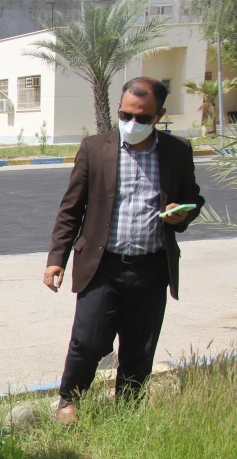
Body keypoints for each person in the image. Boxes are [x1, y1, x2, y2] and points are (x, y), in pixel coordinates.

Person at [44, 77, 205, 424]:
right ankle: (69, 400)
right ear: (118, 107)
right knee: (87, 341)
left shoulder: (177, 151)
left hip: (151, 267)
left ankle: (128, 410)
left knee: (139, 346)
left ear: (159, 115)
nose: (132, 123)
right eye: (125, 114)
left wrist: (182, 213)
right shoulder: (94, 148)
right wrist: (57, 259)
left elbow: (193, 197)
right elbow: (71, 209)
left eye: (142, 118)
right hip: (103, 265)